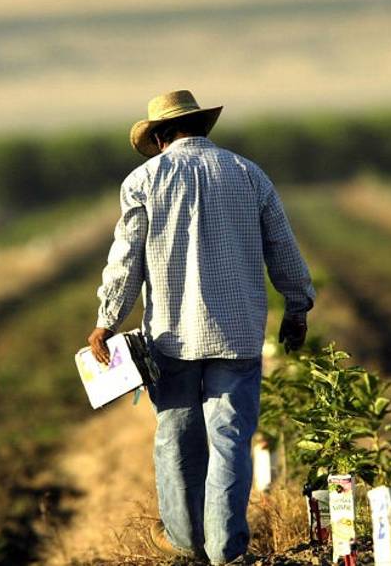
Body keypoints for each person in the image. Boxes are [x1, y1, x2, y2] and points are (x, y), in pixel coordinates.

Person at [88, 89, 316, 564]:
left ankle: (187, 545)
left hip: (170, 337)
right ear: (199, 127)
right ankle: (226, 551)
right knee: (230, 441)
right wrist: (297, 307)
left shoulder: (142, 181)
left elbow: (125, 259)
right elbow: (282, 246)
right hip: (237, 334)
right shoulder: (247, 173)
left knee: (175, 440)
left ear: (159, 137)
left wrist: (106, 321)